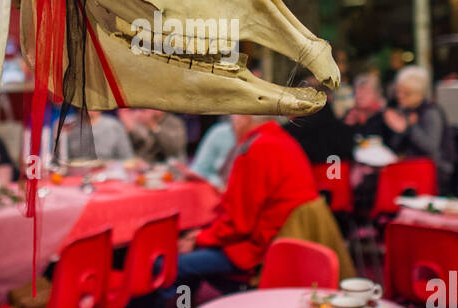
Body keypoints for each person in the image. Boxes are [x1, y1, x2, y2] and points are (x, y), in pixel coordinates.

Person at [168, 113, 325, 296]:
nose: (232, 124)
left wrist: (199, 239)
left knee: (170, 264)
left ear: (245, 117)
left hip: (260, 253)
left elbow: (239, 225)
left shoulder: (255, 148)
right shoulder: (282, 139)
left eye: (233, 117)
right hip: (286, 243)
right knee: (190, 251)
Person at [379, 66, 454, 192]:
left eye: (406, 93)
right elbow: (395, 147)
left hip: (433, 172)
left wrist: (409, 127)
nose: (400, 96)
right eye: (398, 91)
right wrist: (395, 129)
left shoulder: (431, 112)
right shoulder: (403, 110)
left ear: (419, 94)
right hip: (408, 169)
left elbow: (430, 148)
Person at [120, 108, 188, 163]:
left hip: (168, 167)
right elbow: (140, 144)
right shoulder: (141, 120)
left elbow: (173, 149)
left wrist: (153, 126)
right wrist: (131, 128)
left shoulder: (174, 123)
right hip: (144, 167)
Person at [191, 116, 235, 190]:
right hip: (214, 193)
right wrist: (216, 183)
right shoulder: (219, 133)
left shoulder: (257, 141)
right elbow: (198, 170)